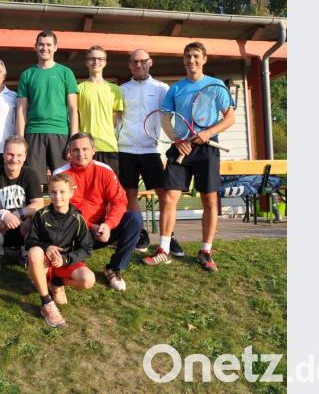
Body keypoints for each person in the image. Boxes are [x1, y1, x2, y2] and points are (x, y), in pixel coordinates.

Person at [142, 42, 235, 272]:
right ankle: (164, 250)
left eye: (195, 56)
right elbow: (165, 119)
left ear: (204, 59)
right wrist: (176, 139)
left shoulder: (216, 86)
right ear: (183, 60)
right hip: (181, 147)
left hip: (207, 150)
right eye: (187, 57)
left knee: (210, 201)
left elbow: (229, 118)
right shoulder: (176, 88)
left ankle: (205, 251)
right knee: (168, 199)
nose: (191, 60)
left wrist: (208, 133)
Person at [55, 132, 142, 291]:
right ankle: (69, 266)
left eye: (85, 149)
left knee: (134, 218)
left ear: (93, 150)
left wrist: (108, 225)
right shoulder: (61, 174)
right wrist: (90, 226)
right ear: (69, 152)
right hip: (73, 232)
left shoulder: (105, 170)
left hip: (100, 231)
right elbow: (61, 212)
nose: (81, 154)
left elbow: (119, 201)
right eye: (75, 150)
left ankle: (114, 268)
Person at [117, 49, 183, 255]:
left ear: (150, 63)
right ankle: (140, 233)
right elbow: (116, 119)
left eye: (143, 61)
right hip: (125, 150)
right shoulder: (122, 90)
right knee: (130, 195)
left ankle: (168, 236)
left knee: (164, 195)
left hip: (150, 150)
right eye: (134, 62)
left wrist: (177, 140)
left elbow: (167, 120)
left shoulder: (162, 88)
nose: (139, 65)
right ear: (129, 65)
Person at [25, 173, 95, 327]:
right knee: (34, 252)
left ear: (71, 192)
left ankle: (57, 283)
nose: (58, 196)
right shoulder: (41, 215)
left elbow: (87, 248)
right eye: (53, 192)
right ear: (48, 193)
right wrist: (46, 247)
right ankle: (47, 303)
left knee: (88, 279)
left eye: (62, 192)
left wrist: (65, 259)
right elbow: (30, 242)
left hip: (65, 263)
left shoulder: (77, 218)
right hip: (45, 263)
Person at [16, 30, 79, 184]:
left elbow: (73, 109)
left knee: (64, 182)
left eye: (49, 45)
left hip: (61, 134)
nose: (45, 48)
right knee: (34, 182)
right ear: (35, 47)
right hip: (33, 133)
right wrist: (19, 140)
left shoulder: (66, 73)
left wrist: (73, 140)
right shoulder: (27, 74)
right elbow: (21, 110)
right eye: (41, 45)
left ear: (55, 47)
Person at [0, 135, 45, 273]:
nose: (14, 159)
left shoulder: (30, 174)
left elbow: (39, 204)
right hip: (2, 227)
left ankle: (26, 253)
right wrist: (4, 215)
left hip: (23, 227)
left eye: (19, 155)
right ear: (3, 154)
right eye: (10, 154)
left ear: (25, 156)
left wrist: (19, 213)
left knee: (35, 219)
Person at [76, 45, 123, 174]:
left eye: (100, 59)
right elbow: (76, 117)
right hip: (86, 148)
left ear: (105, 63)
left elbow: (115, 117)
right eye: (92, 58)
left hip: (109, 146)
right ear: (86, 62)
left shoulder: (115, 89)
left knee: (109, 188)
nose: (96, 61)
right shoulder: (79, 89)